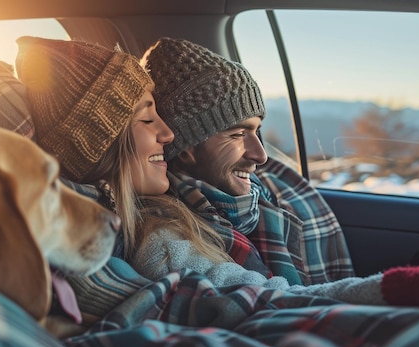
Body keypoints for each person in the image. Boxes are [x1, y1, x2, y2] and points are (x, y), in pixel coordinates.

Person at [16, 36, 419, 308]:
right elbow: (269, 305)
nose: (167, 132)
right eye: (148, 120)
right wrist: (405, 288)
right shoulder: (160, 236)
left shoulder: (258, 198)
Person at [141, 37, 355, 285]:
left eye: (256, 130)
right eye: (238, 134)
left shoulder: (273, 191)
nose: (261, 155)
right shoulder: (168, 238)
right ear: (186, 145)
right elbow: (272, 301)